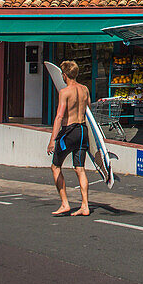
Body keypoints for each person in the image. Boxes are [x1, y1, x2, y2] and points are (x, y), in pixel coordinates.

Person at [46, 60, 91, 217]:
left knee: (56, 166)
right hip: (82, 130)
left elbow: (59, 116)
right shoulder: (85, 89)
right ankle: (85, 205)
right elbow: (88, 109)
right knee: (80, 168)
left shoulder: (65, 92)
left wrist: (52, 140)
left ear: (64, 75)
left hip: (69, 132)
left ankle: (65, 203)